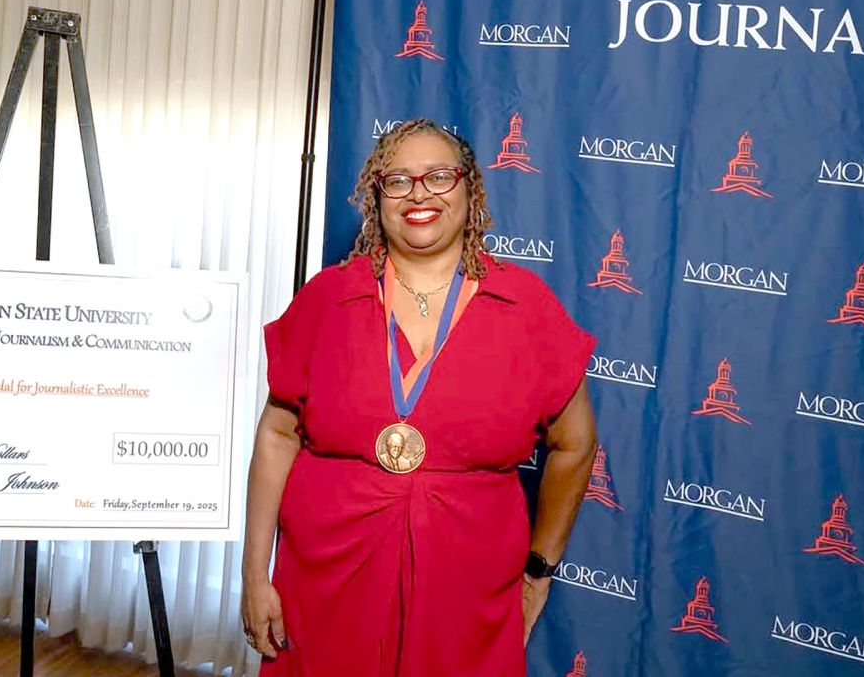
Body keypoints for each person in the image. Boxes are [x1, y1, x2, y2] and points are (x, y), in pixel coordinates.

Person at [241, 118, 598, 675]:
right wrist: (253, 574)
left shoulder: (526, 307)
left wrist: (539, 566)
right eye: (398, 181)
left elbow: (575, 446)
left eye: (438, 176)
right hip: (324, 585)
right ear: (376, 196)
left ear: (469, 188)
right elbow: (277, 434)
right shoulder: (327, 299)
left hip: (466, 594)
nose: (419, 194)